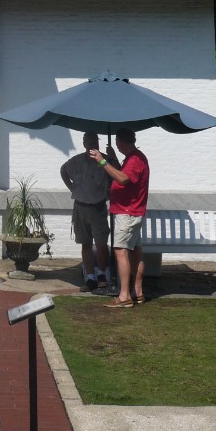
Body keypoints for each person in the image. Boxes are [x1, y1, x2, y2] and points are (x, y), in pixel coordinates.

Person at [90, 127, 149, 308]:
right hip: (132, 212)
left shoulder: (135, 159)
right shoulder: (134, 158)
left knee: (121, 251)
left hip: (127, 212)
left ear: (121, 142)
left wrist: (102, 162)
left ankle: (124, 297)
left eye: (117, 142)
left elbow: (122, 178)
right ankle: (137, 292)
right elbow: (125, 174)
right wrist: (114, 158)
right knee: (135, 252)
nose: (116, 144)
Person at [60, 131, 112, 292]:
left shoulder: (105, 160)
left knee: (102, 244)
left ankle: (102, 274)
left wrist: (112, 157)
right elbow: (63, 170)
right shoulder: (76, 161)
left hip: (98, 207)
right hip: (81, 207)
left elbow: (117, 172)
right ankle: (90, 278)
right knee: (86, 243)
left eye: (94, 142)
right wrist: (72, 188)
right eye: (89, 142)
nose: (92, 145)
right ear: (84, 144)